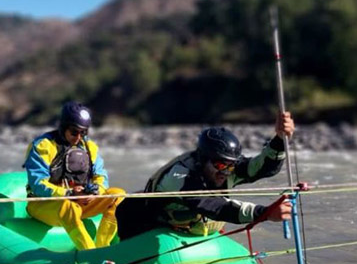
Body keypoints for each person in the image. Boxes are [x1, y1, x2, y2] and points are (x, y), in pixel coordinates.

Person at [116, 113, 296, 239]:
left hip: (189, 228)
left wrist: (280, 139)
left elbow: (263, 168)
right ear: (203, 160)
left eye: (231, 165)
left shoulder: (228, 167)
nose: (226, 171)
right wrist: (264, 213)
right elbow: (214, 206)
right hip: (142, 223)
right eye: (220, 165)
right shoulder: (179, 177)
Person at [24, 101, 125, 250]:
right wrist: (69, 193)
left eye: (83, 132)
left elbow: (101, 176)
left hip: (79, 202)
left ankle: (103, 247)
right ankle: (90, 254)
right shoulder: (43, 146)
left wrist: (95, 191)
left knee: (118, 195)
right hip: (44, 205)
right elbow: (38, 184)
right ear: (63, 127)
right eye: (74, 132)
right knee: (68, 206)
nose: (78, 137)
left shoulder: (90, 148)